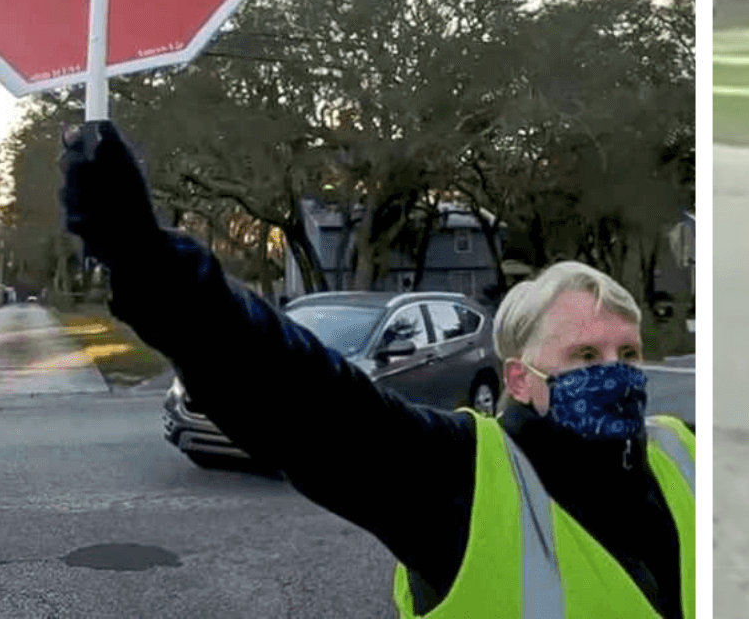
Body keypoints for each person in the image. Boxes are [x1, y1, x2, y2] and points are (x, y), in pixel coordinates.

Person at [59, 121, 695, 618]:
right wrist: (145, 259)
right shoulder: (465, 481)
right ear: (521, 379)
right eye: (585, 356)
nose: (617, 375)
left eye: (628, 355)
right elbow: (301, 397)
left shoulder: (685, 455)